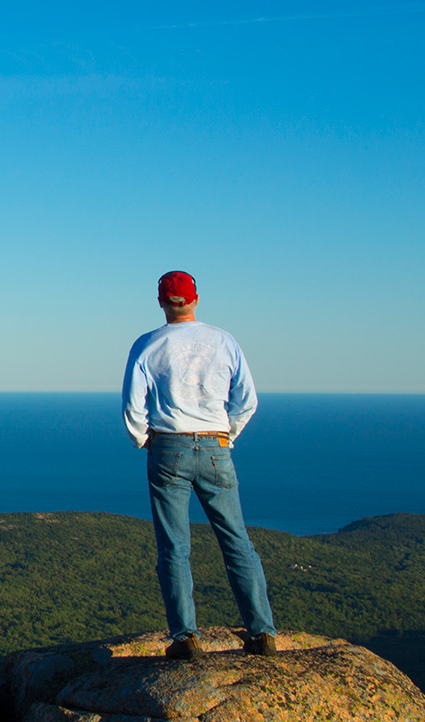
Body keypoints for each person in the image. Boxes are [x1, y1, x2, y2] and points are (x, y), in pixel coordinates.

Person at [122, 271, 280, 659]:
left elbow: (132, 407)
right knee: (237, 542)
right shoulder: (224, 341)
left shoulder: (147, 345)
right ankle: (262, 634)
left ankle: (185, 638)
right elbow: (247, 400)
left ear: (161, 301)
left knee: (174, 547)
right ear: (195, 299)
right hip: (216, 447)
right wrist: (226, 436)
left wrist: (146, 440)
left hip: (167, 449)